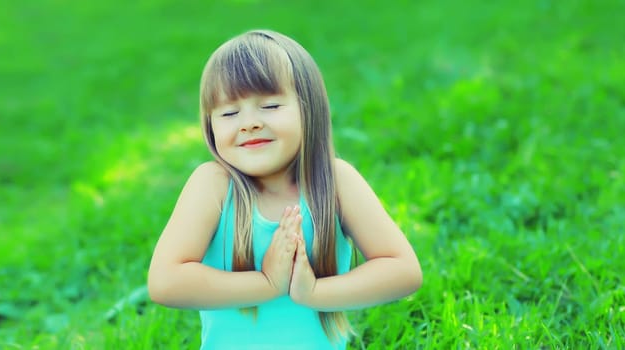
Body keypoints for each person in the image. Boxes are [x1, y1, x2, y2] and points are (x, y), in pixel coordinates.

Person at [148, 29, 423, 349]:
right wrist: (266, 283)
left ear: (309, 108)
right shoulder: (213, 186)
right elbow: (165, 282)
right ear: (210, 125)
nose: (248, 122)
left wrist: (314, 293)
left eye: (270, 106)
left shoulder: (335, 182)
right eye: (229, 113)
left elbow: (403, 271)